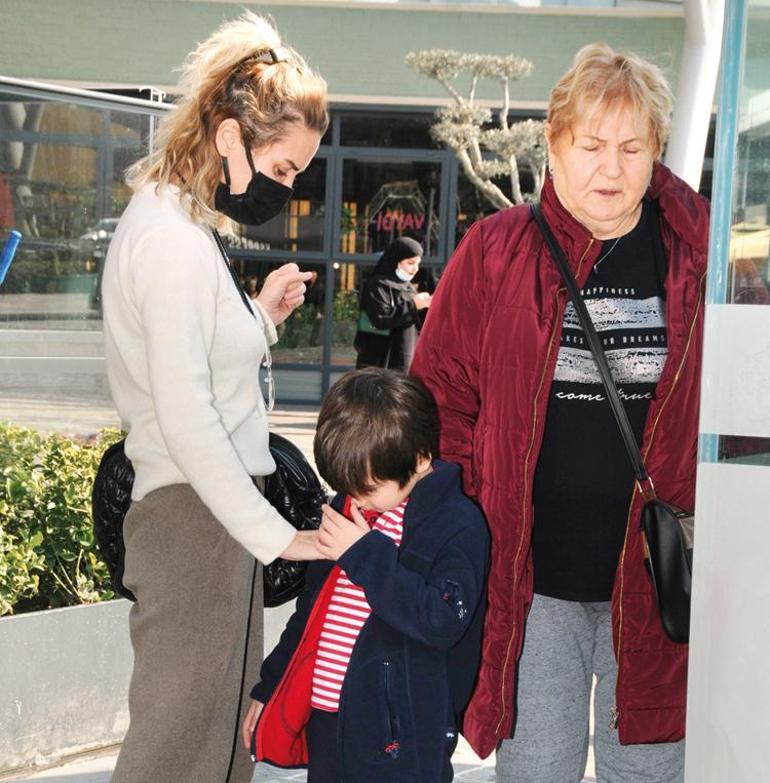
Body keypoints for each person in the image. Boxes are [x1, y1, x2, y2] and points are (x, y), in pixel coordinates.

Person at [411, 43, 709, 783]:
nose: (610, 168)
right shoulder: (495, 252)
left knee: (648, 772)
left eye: (632, 147)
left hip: (656, 587)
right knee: (534, 770)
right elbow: (438, 405)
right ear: (555, 142)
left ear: (657, 153)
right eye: (593, 145)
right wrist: (469, 529)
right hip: (529, 585)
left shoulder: (699, 260)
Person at [100, 12, 328, 783]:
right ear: (230, 137)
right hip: (193, 520)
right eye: (287, 167)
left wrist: (260, 316)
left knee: (216, 747)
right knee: (180, 749)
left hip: (205, 520)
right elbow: (187, 418)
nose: (288, 188)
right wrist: (280, 535)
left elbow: (198, 376)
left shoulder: (182, 229)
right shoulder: (168, 240)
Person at [241, 368, 489, 782]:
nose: (355, 498)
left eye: (369, 487)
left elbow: (442, 619)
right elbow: (311, 612)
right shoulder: (351, 508)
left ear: (421, 458)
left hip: (401, 730)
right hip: (329, 716)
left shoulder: (457, 524)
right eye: (347, 486)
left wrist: (365, 554)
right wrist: (271, 685)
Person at [355, 236, 432, 370]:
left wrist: (427, 305)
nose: (416, 268)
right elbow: (381, 319)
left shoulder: (408, 287)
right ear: (396, 260)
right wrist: (413, 304)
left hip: (405, 361)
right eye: (410, 263)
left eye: (418, 263)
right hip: (381, 362)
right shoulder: (378, 285)